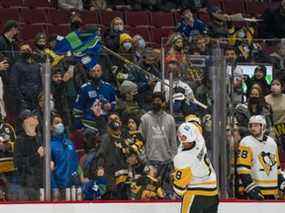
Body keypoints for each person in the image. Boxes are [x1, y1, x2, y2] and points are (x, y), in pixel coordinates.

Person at [172, 114, 219, 213]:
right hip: (213, 191)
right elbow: (194, 123)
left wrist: (174, 178)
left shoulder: (181, 158)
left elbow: (179, 190)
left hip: (195, 193)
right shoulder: (199, 139)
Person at [236, 115, 285, 200]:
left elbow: (276, 167)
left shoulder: (272, 143)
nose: (252, 128)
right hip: (255, 190)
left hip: (272, 191)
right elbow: (242, 168)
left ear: (263, 127)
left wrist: (281, 181)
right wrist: (250, 187)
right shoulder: (246, 142)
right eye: (251, 125)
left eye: (256, 125)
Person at [139, 92, 177, 198]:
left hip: (167, 162)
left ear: (163, 103)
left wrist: (173, 160)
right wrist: (144, 160)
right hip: (151, 161)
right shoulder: (145, 118)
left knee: (168, 194)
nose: (156, 103)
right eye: (154, 100)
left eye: (158, 101)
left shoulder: (170, 119)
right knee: (150, 194)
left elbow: (173, 142)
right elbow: (139, 141)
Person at [73, 64, 116, 133]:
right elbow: (78, 108)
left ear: (101, 72)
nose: (96, 73)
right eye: (93, 71)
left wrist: (110, 106)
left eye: (98, 71)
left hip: (106, 123)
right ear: (90, 73)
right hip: (89, 124)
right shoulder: (84, 88)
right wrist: (79, 126)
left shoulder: (109, 87)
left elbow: (114, 102)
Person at [14, 109, 44, 200]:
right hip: (28, 185)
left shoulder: (40, 138)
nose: (35, 117)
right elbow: (18, 163)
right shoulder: (20, 140)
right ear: (25, 121)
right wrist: (37, 155)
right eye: (32, 116)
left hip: (42, 181)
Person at [50, 113, 80, 200]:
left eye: (61, 122)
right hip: (59, 187)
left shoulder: (69, 143)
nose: (60, 124)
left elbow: (75, 163)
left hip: (73, 186)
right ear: (51, 127)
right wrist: (54, 187)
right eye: (57, 122)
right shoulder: (50, 145)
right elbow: (49, 169)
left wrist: (77, 180)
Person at [8, 43, 42, 113]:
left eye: (27, 49)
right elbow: (14, 85)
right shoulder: (17, 66)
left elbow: (40, 81)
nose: (26, 51)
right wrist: (21, 100)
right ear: (20, 53)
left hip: (36, 100)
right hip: (23, 101)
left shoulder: (36, 65)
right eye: (23, 50)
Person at [265, 79, 285, 151]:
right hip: (271, 126)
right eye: (273, 84)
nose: (274, 86)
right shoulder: (266, 99)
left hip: (283, 126)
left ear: (282, 87)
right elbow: (266, 116)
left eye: (277, 84)